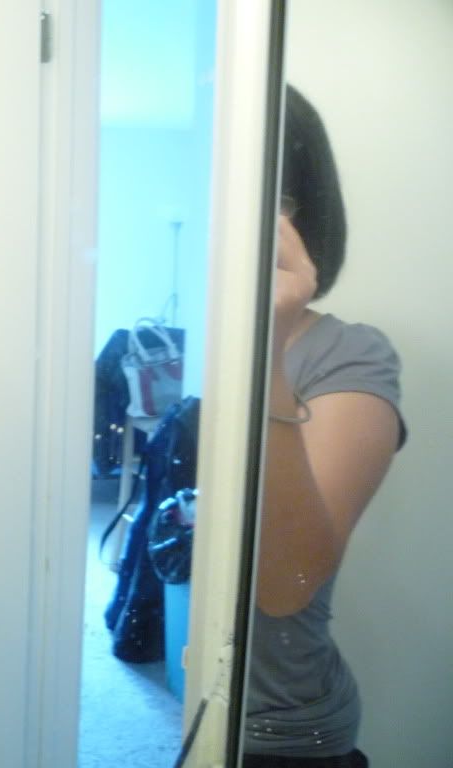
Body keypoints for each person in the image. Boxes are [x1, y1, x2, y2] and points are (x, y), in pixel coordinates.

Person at [243, 86, 404, 767]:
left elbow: (286, 582)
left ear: (293, 213)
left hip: (282, 734)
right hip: (172, 695)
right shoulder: (191, 345)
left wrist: (269, 348)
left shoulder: (349, 355)